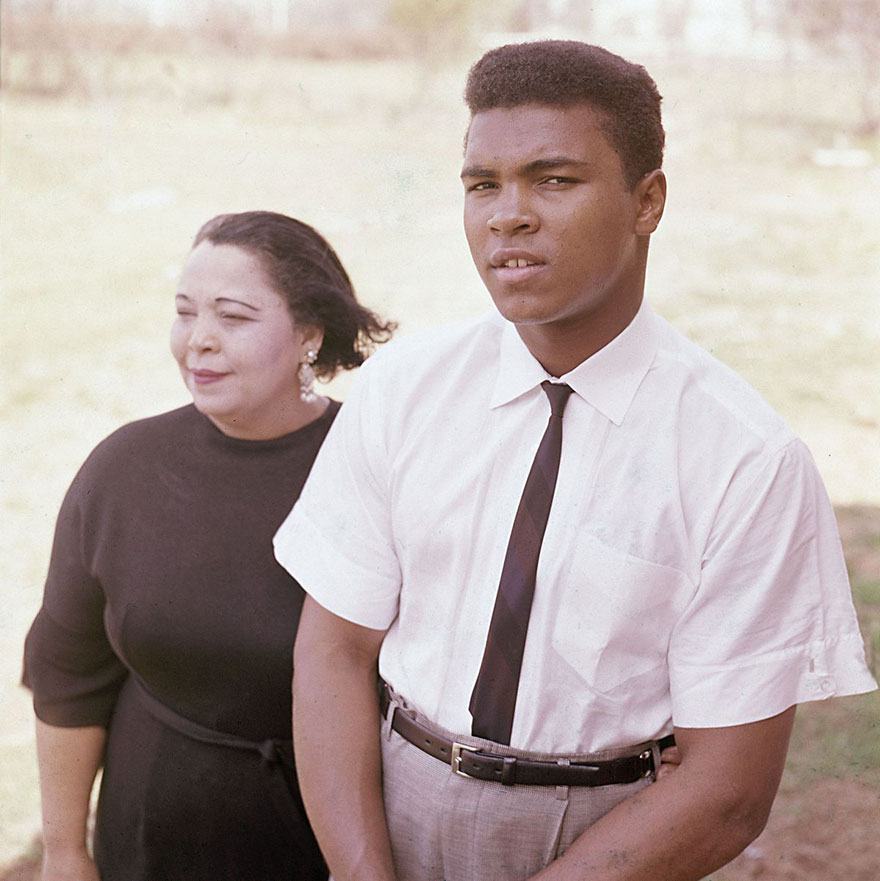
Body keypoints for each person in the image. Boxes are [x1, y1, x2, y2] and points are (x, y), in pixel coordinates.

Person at [274, 41, 877, 881]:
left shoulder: (744, 458)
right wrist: (361, 869)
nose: (507, 215)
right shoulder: (404, 392)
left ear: (648, 201)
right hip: (393, 806)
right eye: (482, 183)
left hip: (615, 839)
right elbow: (333, 651)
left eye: (554, 179)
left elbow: (729, 789)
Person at [22, 210, 393, 881]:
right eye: (185, 312)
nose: (199, 341)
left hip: (325, 843)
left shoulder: (373, 469)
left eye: (233, 316)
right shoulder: (123, 468)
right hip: (148, 837)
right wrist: (65, 850)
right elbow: (67, 674)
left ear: (310, 334)